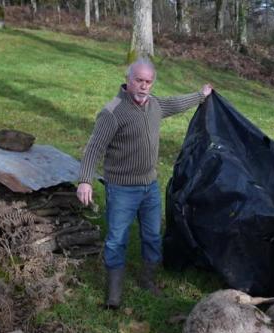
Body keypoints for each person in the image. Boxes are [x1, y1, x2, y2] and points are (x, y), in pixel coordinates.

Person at [76, 58, 212, 309]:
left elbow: (176, 103)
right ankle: (114, 293)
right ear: (128, 80)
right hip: (121, 189)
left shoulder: (155, 105)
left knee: (151, 235)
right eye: (139, 80)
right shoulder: (112, 112)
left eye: (148, 82)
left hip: (150, 187)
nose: (143, 86)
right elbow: (94, 147)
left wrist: (200, 96)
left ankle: (148, 280)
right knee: (117, 239)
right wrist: (85, 179)